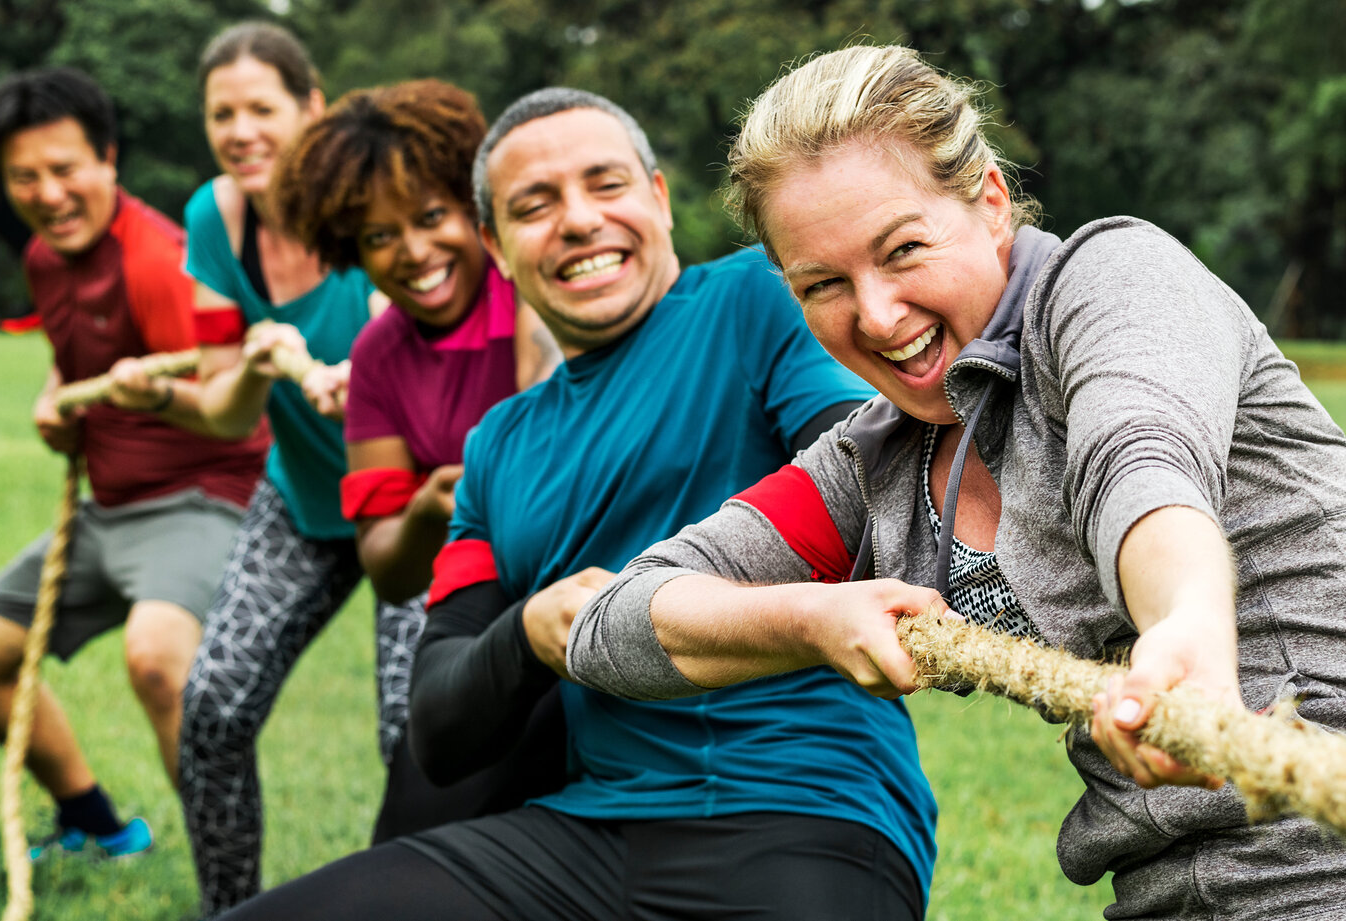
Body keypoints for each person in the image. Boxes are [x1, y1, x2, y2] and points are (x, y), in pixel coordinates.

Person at [570, 45, 1346, 921]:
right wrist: (814, 621)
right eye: (821, 286)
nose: (874, 315)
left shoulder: (1113, 284)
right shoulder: (873, 465)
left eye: (903, 250)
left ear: (991, 202)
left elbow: (1140, 459)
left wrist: (1183, 623)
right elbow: (616, 625)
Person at [217, 87, 936, 921]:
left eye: (605, 185)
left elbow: (872, 491)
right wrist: (529, 632)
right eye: (535, 204)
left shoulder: (756, 301)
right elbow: (439, 727)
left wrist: (667, 605)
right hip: (585, 838)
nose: (578, 219)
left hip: (805, 810)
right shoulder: (497, 448)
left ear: (659, 199)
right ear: (496, 244)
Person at [0, 67, 269, 862]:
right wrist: (58, 402)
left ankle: (233, 892)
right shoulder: (47, 260)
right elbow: (74, 360)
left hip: (202, 496)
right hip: (108, 507)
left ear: (108, 160)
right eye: (26, 176)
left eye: (66, 169)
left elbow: (232, 406)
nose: (49, 193)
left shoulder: (160, 260)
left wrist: (148, 398)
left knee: (157, 657)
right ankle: (98, 826)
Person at [272, 78, 561, 841]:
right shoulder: (377, 358)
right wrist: (431, 510)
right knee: (417, 829)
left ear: (477, 210)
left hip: (590, 588)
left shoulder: (530, 287)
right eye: (378, 235)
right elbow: (387, 568)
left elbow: (557, 419)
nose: (413, 252)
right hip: (482, 602)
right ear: (349, 248)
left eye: (432, 217)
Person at [155, 22, 397, 915]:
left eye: (263, 108)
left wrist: (367, 371)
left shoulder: (373, 201)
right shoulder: (214, 218)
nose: (241, 130)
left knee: (414, 732)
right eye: (223, 113)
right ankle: (232, 910)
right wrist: (242, 371)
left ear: (313, 108)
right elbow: (222, 407)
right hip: (302, 500)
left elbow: (417, 334)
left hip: (415, 503)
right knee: (212, 707)